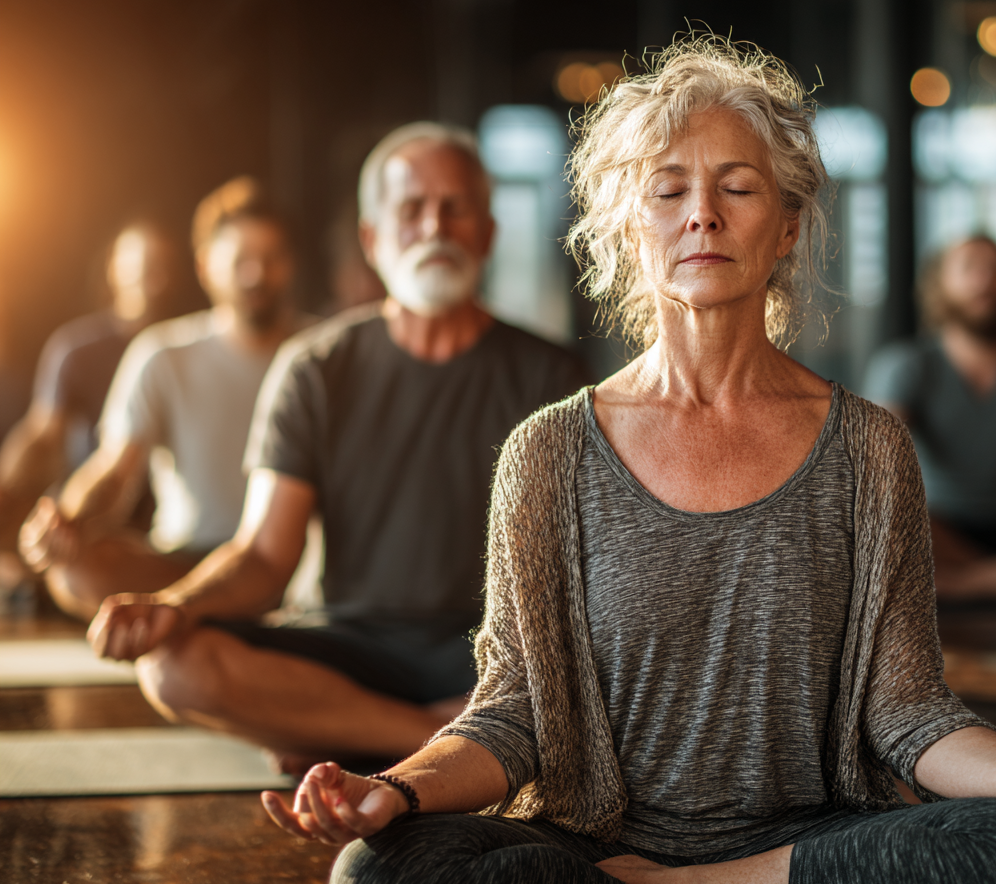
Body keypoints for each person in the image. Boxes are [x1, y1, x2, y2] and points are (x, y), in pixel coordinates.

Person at [259, 40, 996, 884]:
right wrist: (393, 789)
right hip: (599, 844)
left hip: (805, 847)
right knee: (380, 880)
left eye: (737, 188)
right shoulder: (546, 453)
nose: (702, 214)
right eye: (668, 191)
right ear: (630, 228)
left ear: (784, 227)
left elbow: (909, 715)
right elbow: (513, 717)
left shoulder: (867, 448)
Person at [85, 122, 589, 767]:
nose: (434, 227)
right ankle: (436, 742)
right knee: (175, 666)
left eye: (454, 208)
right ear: (372, 239)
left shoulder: (553, 377)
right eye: (412, 210)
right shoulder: (315, 367)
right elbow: (265, 557)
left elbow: (570, 571)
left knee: (593, 681)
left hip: (485, 655)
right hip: (344, 645)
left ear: (487, 232)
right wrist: (174, 606)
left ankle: (344, 733)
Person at [19, 178, 306, 622]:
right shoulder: (163, 354)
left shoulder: (322, 350)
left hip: (293, 564)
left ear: (290, 264)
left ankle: (201, 619)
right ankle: (196, 610)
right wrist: (67, 518)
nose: (257, 275)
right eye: (241, 261)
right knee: (74, 568)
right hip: (185, 562)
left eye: (271, 259)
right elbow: (114, 470)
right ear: (206, 265)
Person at [0, 223, 180, 557]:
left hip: (169, 520)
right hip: (91, 514)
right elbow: (41, 435)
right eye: (138, 261)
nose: (148, 274)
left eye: (160, 263)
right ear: (113, 268)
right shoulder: (76, 349)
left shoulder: (185, 348)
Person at [864, 236, 996, 599]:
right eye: (970, 268)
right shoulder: (908, 366)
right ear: (940, 284)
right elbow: (877, 459)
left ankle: (962, 587)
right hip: (938, 532)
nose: (985, 279)